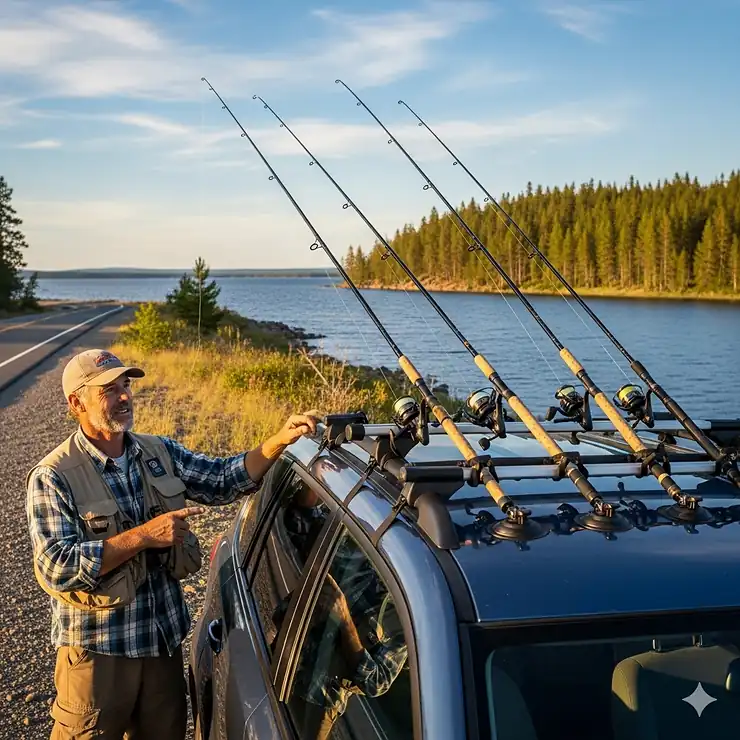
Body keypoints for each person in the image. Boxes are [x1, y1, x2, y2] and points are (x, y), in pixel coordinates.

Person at [25, 348, 319, 739]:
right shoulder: (52, 475)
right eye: (108, 390)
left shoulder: (158, 451)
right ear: (76, 402)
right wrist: (146, 536)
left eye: (126, 385)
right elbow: (56, 567)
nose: (125, 396)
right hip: (98, 657)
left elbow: (221, 479)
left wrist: (279, 441)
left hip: (161, 644)